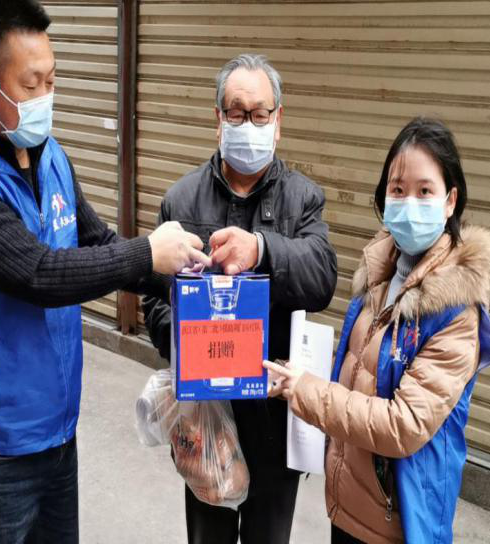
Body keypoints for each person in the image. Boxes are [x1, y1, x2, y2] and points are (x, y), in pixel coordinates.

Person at [0, 1, 209, 542]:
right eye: (31, 85)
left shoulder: (52, 158)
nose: (45, 97)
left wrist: (191, 273)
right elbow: (39, 274)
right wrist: (148, 252)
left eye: (52, 81)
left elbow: (96, 244)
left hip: (59, 428)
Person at [266, 117, 490, 544]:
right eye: (397, 189)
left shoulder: (456, 313)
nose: (409, 203)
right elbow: (360, 369)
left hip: (398, 521)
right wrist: (292, 375)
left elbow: (403, 426)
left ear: (450, 201)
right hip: (349, 503)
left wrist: (307, 391)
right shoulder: (379, 273)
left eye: (424, 191)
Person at [143, 54, 338, 544]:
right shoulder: (181, 201)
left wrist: (263, 250)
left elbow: (322, 277)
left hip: (274, 416)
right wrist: (188, 345)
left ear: (278, 120)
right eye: (236, 113)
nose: (248, 124)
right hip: (205, 416)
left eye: (259, 114)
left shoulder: (302, 199)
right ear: (218, 119)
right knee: (207, 534)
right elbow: (155, 302)